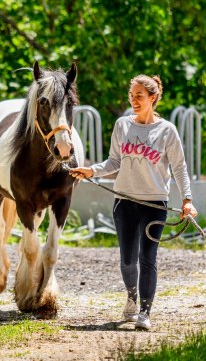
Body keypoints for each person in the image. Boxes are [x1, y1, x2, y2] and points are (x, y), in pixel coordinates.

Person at [69, 74, 197, 331]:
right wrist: (91, 171)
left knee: (147, 257)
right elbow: (113, 162)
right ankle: (131, 298)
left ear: (153, 98)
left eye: (139, 96)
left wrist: (187, 200)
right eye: (132, 96)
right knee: (128, 259)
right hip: (124, 202)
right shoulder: (122, 125)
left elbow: (180, 168)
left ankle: (145, 312)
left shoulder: (166, 131)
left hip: (154, 204)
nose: (134, 101)